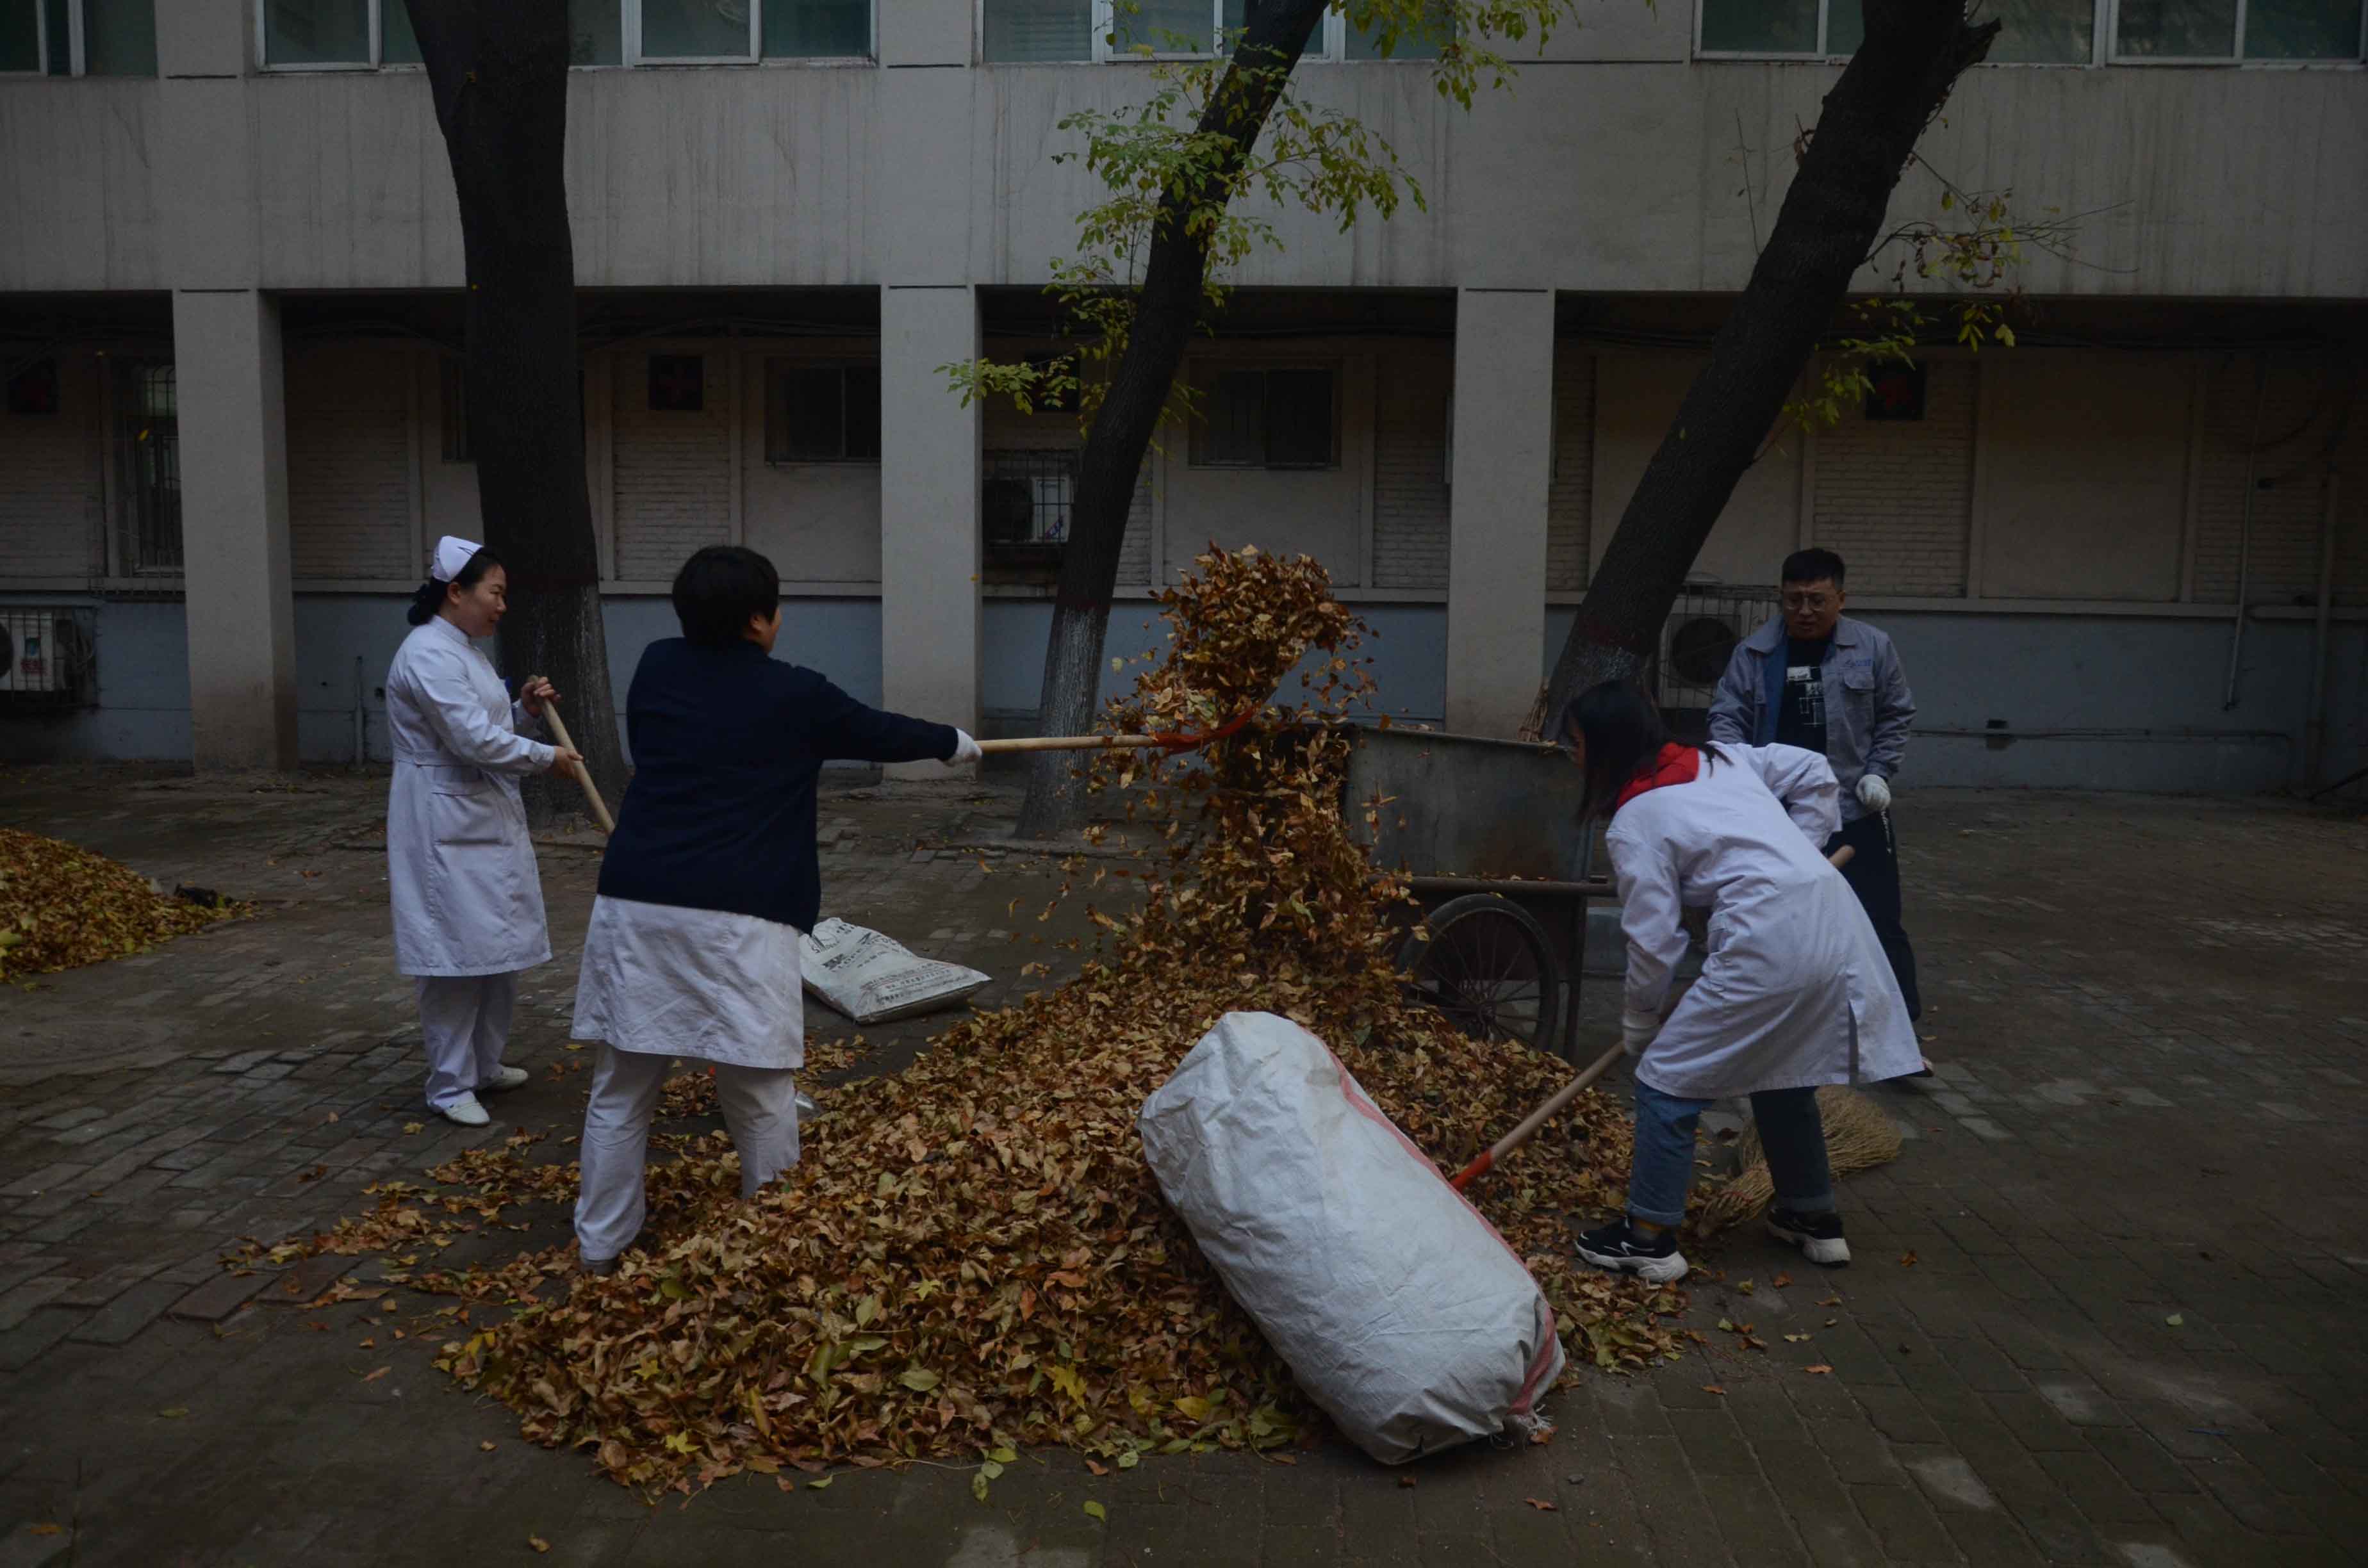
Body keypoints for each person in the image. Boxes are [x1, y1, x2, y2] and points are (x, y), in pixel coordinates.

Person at [570, 544, 984, 1275]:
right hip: (738, 916)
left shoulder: (657, 667)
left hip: (638, 905)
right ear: (760, 620)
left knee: (623, 1085)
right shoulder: (795, 695)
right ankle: (775, 1250)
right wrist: (954, 743)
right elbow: (879, 731)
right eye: (776, 607)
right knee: (760, 1090)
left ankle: (600, 1246)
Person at [1563, 681, 1920, 1284]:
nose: (1570, 754)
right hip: (1833, 920)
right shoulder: (1722, 759)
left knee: (1665, 1082)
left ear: (1604, 746)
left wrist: (1639, 1022)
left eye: (1574, 743)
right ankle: (1812, 1216)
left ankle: (1648, 1237)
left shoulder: (1635, 821)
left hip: (1767, 940)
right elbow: (1811, 771)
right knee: (1785, 1068)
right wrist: (1798, 851)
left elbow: (1653, 941)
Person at [385, 535, 582, 1129]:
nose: (502, 605)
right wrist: (546, 756)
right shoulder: (426, 654)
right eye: (495, 593)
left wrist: (521, 707)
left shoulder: (465, 651)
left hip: (481, 815)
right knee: (452, 956)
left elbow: (487, 719)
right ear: (455, 592)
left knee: (495, 950)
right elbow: (470, 739)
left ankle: (484, 1064)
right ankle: (448, 1085)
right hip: (441, 818)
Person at [1709, 548, 1921, 1022]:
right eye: (1794, 600)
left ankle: (1900, 1029)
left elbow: (1895, 714)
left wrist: (1878, 773)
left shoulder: (1872, 648)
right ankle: (1788, 1015)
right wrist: (1742, 778)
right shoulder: (1755, 654)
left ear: (1840, 599)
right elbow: (1726, 720)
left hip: (1854, 804)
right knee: (1780, 916)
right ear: (1781, 599)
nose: (1804, 611)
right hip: (1778, 813)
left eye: (1816, 600)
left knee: (1878, 917)